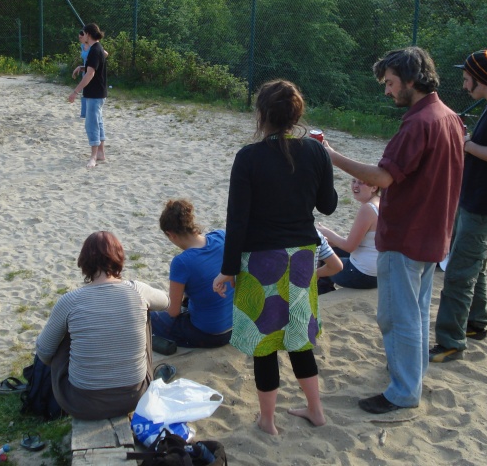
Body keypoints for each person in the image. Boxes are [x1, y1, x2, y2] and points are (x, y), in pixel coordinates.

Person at [322, 47, 464, 415]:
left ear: (411, 80)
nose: (387, 91)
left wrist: (331, 155)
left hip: (407, 235)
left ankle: (402, 392)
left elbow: (382, 177)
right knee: (414, 313)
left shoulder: (419, 123)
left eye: (390, 83)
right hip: (433, 235)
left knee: (397, 316)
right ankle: (412, 375)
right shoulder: (448, 116)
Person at [212, 79, 341, 435]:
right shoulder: (315, 152)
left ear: (261, 115)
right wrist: (322, 163)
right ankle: (316, 410)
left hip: (260, 262)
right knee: (298, 337)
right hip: (302, 258)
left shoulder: (249, 157)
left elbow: (236, 220)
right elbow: (328, 206)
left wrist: (227, 270)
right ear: (296, 115)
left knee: (265, 345)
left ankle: (267, 421)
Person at [430, 50, 487, 363]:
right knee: (476, 266)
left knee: (458, 272)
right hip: (475, 198)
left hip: (484, 203)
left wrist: (465, 144)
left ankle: (450, 341)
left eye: (467, 75)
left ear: (482, 79)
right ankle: (475, 323)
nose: (464, 80)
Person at [35, 231, 168, 420]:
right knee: (145, 311)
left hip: (81, 403)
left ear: (84, 261)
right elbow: (166, 302)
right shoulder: (137, 290)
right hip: (135, 396)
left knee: (64, 332)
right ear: (119, 258)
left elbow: (44, 353)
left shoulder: (70, 301)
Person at [151, 199, 233, 349]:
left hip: (209, 334)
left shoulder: (181, 262)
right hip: (235, 326)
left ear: (170, 234)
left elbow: (173, 312)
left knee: (150, 318)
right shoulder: (222, 236)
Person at [316, 177, 380, 291]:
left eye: (361, 183)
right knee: (328, 248)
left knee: (324, 257)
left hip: (364, 275)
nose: (355, 186)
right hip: (379, 270)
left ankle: (324, 293)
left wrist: (325, 232)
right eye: (354, 181)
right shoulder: (380, 202)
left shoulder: (368, 209)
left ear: (374, 187)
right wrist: (329, 241)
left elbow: (349, 247)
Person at [67, 23, 107, 168]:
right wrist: (81, 67)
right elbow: (92, 68)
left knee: (92, 124)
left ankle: (94, 157)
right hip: (98, 92)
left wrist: (75, 92)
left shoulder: (95, 50)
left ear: (88, 34)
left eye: (83, 33)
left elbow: (90, 74)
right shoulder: (96, 49)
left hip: (95, 93)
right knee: (99, 122)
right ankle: (101, 153)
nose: (81, 35)